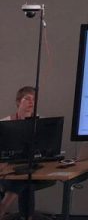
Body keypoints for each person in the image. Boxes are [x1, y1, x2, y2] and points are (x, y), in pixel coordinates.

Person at [0, 86, 49, 220]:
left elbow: (48, 149)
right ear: (18, 102)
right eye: (27, 98)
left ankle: (3, 208)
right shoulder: (4, 123)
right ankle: (27, 217)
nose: (31, 102)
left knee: (26, 175)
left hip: (37, 167)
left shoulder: (41, 122)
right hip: (10, 168)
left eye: (34, 99)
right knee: (26, 179)